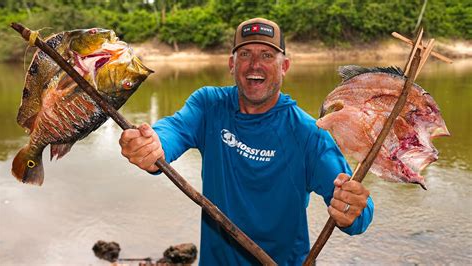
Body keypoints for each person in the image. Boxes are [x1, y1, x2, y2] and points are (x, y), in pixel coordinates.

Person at [119, 18, 374, 265]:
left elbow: (356, 208)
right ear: (232, 63)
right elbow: (171, 131)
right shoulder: (209, 105)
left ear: (284, 66)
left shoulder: (308, 133)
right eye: (245, 55)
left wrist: (352, 210)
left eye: (266, 55)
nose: (255, 65)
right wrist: (150, 144)